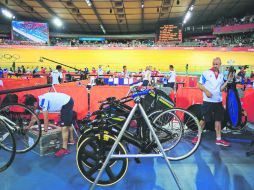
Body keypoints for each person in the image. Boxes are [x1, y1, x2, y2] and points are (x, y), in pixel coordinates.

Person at [192, 57, 233, 147]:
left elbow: (220, 89)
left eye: (217, 64)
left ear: (220, 64)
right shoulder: (206, 73)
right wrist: (206, 91)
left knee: (218, 121)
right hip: (208, 101)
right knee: (203, 120)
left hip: (218, 101)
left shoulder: (221, 75)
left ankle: (218, 139)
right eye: (214, 63)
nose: (215, 65)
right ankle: (197, 136)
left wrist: (228, 81)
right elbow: (199, 84)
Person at [26, 92, 75, 157]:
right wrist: (28, 127)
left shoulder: (42, 102)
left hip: (67, 102)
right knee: (67, 122)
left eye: (31, 107)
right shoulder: (37, 102)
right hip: (65, 100)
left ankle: (64, 149)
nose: (31, 109)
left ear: (34, 104)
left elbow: (46, 118)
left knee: (64, 126)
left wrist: (45, 131)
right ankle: (71, 140)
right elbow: (34, 117)